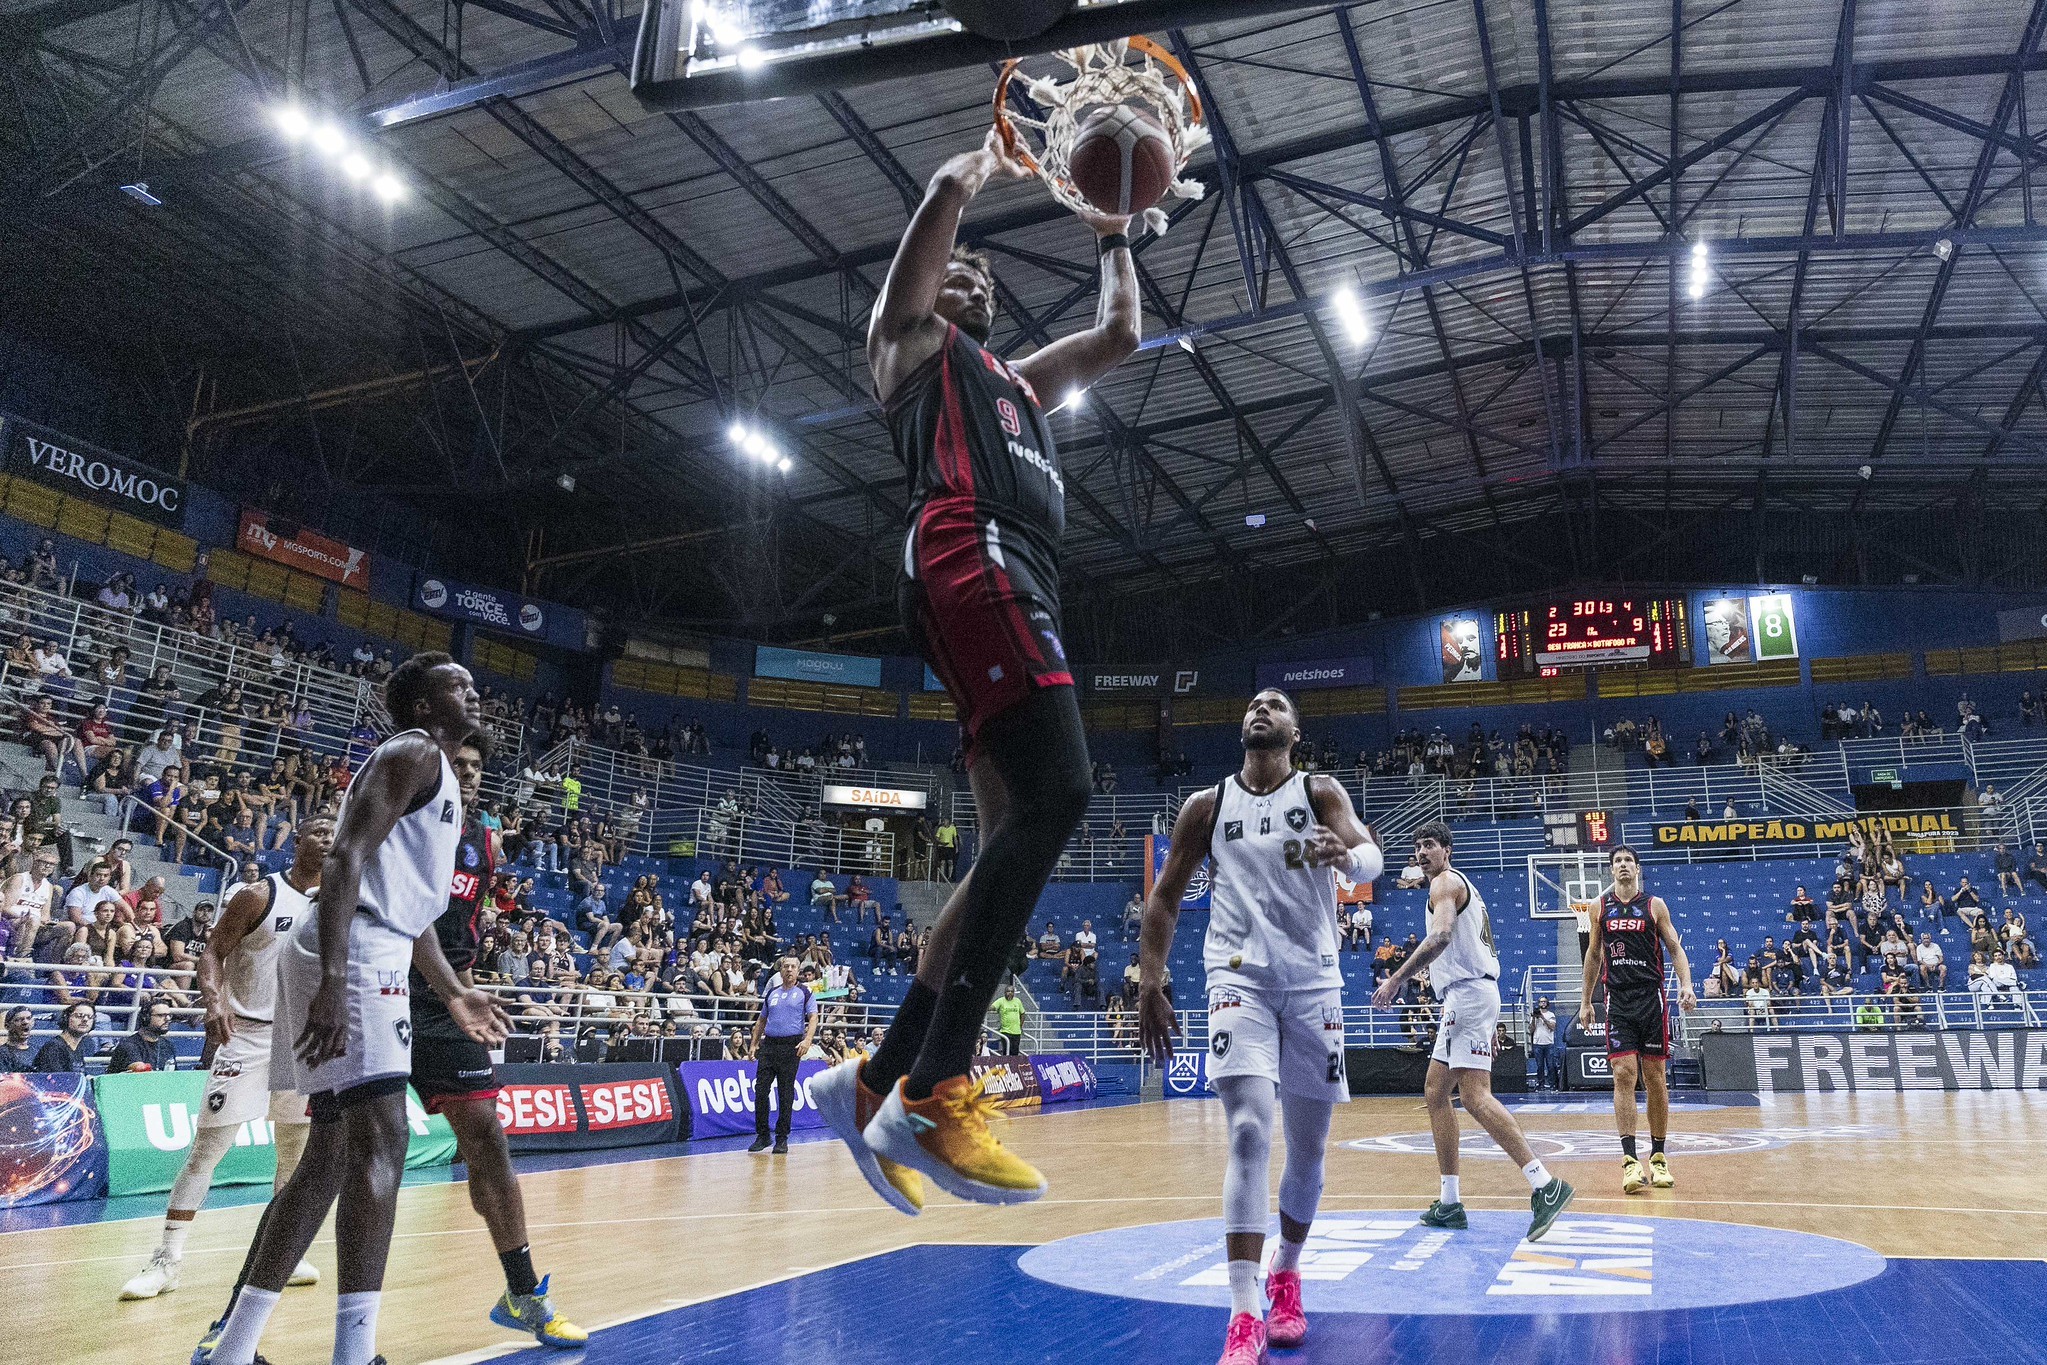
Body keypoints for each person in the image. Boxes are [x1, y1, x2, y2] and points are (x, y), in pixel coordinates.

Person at [817, 119, 1139, 1212]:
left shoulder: (1017, 382)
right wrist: (965, 173)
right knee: (1062, 790)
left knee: (1012, 833)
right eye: (959, 267)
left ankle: (872, 1079)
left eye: (988, 276)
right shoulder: (910, 349)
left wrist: (1112, 229)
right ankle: (936, 1084)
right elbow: (925, 251)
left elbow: (1120, 334)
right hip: (972, 552)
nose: (976, 277)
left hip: (1019, 576)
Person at [192, 654, 509, 1365]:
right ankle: (355, 1353)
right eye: (457, 685)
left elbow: (410, 911)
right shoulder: (413, 751)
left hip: (372, 945)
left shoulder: (437, 773)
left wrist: (453, 990)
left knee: (328, 1157)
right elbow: (344, 859)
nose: (473, 692)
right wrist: (335, 982)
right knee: (382, 1140)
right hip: (354, 949)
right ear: (423, 706)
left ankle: (232, 1350)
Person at [1138, 689, 1383, 1365]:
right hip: (1236, 978)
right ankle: (1243, 1312)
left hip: (1312, 983)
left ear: (1294, 731)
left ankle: (1287, 1271)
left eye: (1275, 704)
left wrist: (1347, 858)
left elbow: (1370, 853)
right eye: (1252, 702)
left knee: (1307, 1147)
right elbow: (1165, 897)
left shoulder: (1319, 792)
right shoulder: (1207, 805)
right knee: (1248, 1128)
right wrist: (1151, 980)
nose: (1260, 707)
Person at [403, 732, 585, 1346]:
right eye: (457, 764)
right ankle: (241, 1315)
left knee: (488, 1141)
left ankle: (523, 1293)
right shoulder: (401, 821)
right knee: (341, 1158)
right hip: (381, 991)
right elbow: (411, 918)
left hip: (449, 1002)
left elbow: (462, 925)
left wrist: (466, 988)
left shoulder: (486, 837)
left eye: (477, 766)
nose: (469, 774)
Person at [120, 815, 334, 1302]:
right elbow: (212, 951)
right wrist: (214, 1002)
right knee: (208, 1150)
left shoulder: (339, 901)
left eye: (336, 832)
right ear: (297, 839)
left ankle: (284, 1253)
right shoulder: (259, 895)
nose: (329, 839)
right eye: (320, 830)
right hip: (248, 1035)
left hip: (304, 1042)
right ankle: (167, 1260)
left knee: (295, 1155)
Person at [1372, 821, 1573, 1240]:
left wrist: (1397, 978)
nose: (1421, 852)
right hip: (1468, 996)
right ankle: (1450, 1202)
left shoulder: (1444, 883)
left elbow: (1442, 935)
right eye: (1417, 846)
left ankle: (1545, 1184)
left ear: (1447, 850)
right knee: (1435, 1092)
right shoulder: (1462, 886)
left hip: (1467, 996)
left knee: (1475, 1097)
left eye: (1429, 844)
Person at [1574, 846, 1698, 1195]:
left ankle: (1658, 1156)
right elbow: (1594, 954)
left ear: (1638, 868)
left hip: (1651, 998)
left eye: (1628, 860)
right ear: (1611, 870)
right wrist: (1585, 1001)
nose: (1623, 865)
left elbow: (1674, 947)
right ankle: (1630, 1161)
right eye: (1617, 861)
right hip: (1618, 1000)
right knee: (1623, 1073)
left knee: (1655, 1077)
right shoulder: (1599, 907)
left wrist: (1686, 984)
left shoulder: (1654, 905)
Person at [749, 956, 817, 1155]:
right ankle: (763, 1135)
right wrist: (753, 1044)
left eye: (793, 967)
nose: (789, 969)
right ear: (780, 970)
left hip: (791, 1046)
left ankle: (782, 1138)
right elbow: (761, 1020)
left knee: (785, 1093)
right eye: (785, 966)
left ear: (798, 971)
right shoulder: (772, 993)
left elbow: (813, 1017)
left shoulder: (805, 992)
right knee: (761, 1090)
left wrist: (807, 1040)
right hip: (769, 1045)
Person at [31, 1000, 96, 1071]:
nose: (85, 1019)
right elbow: (56, 1077)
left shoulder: (78, 1047)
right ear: (66, 1018)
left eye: (90, 1017)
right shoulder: (54, 1047)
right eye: (79, 1016)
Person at [1529, 997, 1561, 1091]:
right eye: (1541, 1002)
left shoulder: (1551, 1014)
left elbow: (1552, 1027)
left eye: (1544, 1002)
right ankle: (1541, 1084)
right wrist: (1534, 1018)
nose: (1543, 1003)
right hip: (1537, 1043)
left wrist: (1542, 1017)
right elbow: (1531, 1030)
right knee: (1540, 1066)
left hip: (1549, 1043)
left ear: (1547, 1003)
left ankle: (1552, 1084)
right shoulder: (1534, 1016)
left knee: (1550, 1065)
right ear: (1538, 1003)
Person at [0, 1004, 36, 1071]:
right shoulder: (2, 1053)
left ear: (33, 1022)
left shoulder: (37, 1050)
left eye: (28, 1018)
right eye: (18, 1019)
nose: (25, 1022)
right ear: (7, 1026)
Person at [993, 984, 1025, 1056]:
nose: (1010, 993)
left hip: (1016, 1032)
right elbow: (993, 1007)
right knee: (1007, 1052)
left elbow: (1023, 1013)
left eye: (1012, 991)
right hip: (1005, 1031)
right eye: (1008, 991)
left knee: (1015, 1052)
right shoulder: (1001, 1000)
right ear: (1005, 992)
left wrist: (1020, 1025)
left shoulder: (1017, 1001)